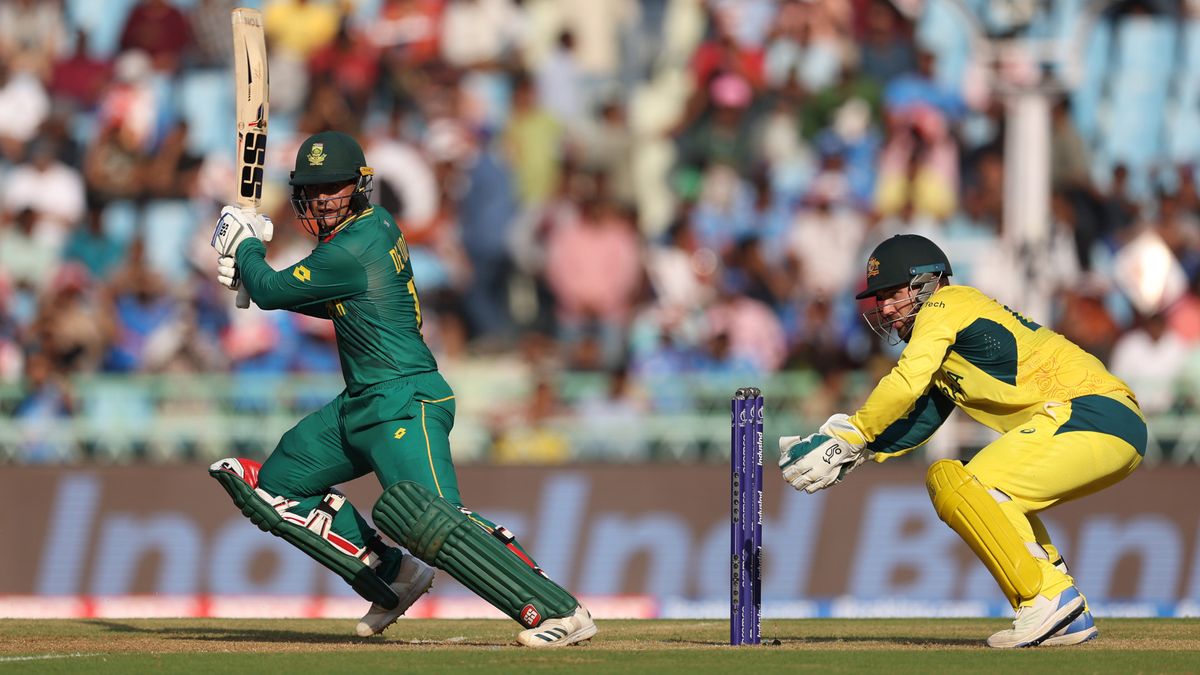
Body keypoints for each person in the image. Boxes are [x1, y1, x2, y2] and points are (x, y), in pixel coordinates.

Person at [208, 130, 596, 646]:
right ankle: (392, 576)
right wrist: (251, 267)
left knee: (428, 517)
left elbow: (277, 289)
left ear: (360, 186)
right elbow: (308, 295)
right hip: (362, 404)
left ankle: (560, 612)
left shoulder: (353, 245)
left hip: (403, 401)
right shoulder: (370, 232)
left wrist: (249, 251)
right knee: (276, 484)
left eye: (335, 186)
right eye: (314, 188)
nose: (323, 198)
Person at [778, 234, 1145, 648]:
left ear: (926, 283)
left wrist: (850, 433)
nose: (884, 308)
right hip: (1106, 424)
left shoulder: (945, 305)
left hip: (1091, 414)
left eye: (892, 294)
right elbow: (919, 419)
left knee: (969, 485)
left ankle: (1049, 597)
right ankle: (1062, 612)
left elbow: (904, 383)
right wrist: (858, 452)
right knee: (972, 487)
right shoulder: (946, 347)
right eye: (878, 299)